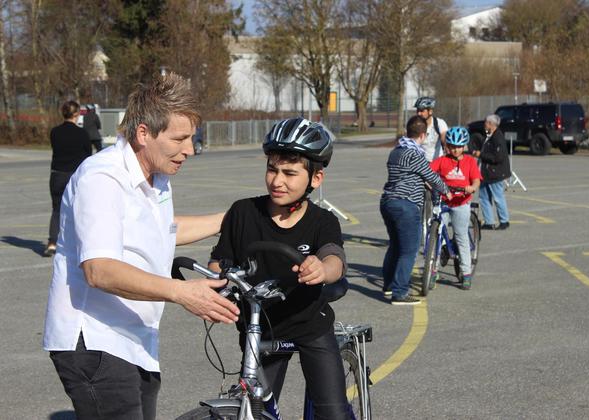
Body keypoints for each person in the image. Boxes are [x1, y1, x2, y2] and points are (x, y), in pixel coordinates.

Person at [43, 73, 240, 420]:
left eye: (191, 138)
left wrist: (236, 218)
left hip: (133, 338)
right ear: (143, 133)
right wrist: (182, 292)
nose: (190, 150)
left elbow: (163, 230)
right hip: (95, 340)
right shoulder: (102, 177)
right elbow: (98, 269)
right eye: (179, 138)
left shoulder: (156, 177)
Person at [209, 117, 350, 419]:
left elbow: (334, 258)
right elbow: (220, 260)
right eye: (272, 169)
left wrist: (322, 269)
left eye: (289, 172)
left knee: (333, 413)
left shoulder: (323, 221)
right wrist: (216, 281)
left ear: (316, 178)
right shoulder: (243, 212)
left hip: (309, 326)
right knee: (255, 409)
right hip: (258, 329)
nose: (277, 181)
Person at [380, 116, 450, 305]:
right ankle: (400, 292)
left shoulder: (396, 151)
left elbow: (409, 175)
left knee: (395, 246)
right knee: (408, 251)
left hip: (388, 202)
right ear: (422, 135)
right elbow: (432, 177)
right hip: (406, 205)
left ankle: (388, 286)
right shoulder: (414, 154)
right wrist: (447, 191)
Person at [430, 127, 482, 290]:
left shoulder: (469, 161)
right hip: (444, 202)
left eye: (458, 146)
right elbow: (429, 172)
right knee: (436, 235)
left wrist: (472, 187)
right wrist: (428, 184)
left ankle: (466, 273)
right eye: (452, 146)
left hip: (461, 203)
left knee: (461, 236)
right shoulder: (442, 160)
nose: (455, 149)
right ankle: (433, 269)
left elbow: (476, 180)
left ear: (464, 146)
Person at [45, 100, 92, 257]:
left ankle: (52, 242)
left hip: (57, 174)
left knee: (57, 209)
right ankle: (79, 243)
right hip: (75, 175)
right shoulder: (82, 133)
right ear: (76, 114)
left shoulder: (55, 132)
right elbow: (87, 155)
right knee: (79, 209)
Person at [471, 114, 510, 230]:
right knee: (483, 197)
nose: (484, 124)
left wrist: (480, 155)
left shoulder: (498, 138)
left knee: (498, 197)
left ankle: (504, 221)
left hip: (495, 174)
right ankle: (489, 222)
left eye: (486, 123)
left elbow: (498, 157)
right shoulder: (488, 135)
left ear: (492, 125)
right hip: (485, 173)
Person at [414, 96, 448, 162]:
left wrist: (446, 146)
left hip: (438, 162)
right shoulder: (415, 125)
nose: (418, 113)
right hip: (422, 164)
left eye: (422, 111)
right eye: (418, 110)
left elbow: (444, 137)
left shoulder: (439, 123)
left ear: (430, 111)